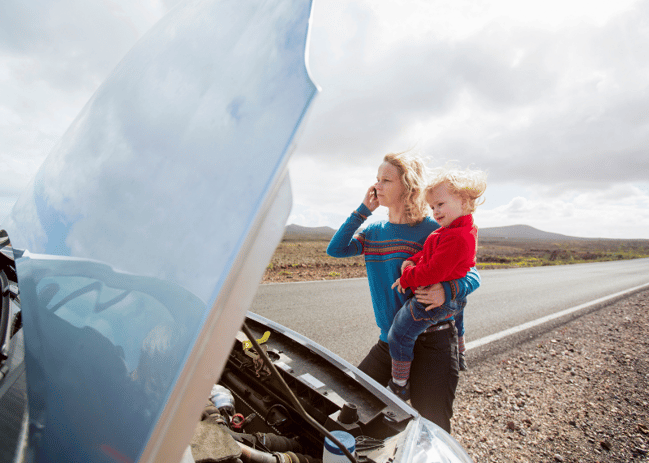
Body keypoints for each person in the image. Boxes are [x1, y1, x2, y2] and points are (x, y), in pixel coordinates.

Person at [326, 151, 481, 433]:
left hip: (433, 344)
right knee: (349, 410)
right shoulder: (373, 232)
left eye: (386, 180)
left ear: (407, 187)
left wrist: (447, 290)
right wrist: (363, 210)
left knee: (431, 428)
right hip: (391, 342)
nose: (377, 186)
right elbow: (335, 249)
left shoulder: (433, 228)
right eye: (377, 180)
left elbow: (471, 273)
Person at [388, 166, 487, 400]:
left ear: (464, 201)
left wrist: (406, 278)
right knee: (459, 323)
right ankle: (460, 353)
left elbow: (433, 271)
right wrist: (413, 259)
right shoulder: (453, 230)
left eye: (440, 204)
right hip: (454, 298)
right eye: (432, 207)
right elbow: (430, 253)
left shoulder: (456, 236)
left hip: (432, 300)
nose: (435, 211)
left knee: (399, 335)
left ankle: (399, 384)